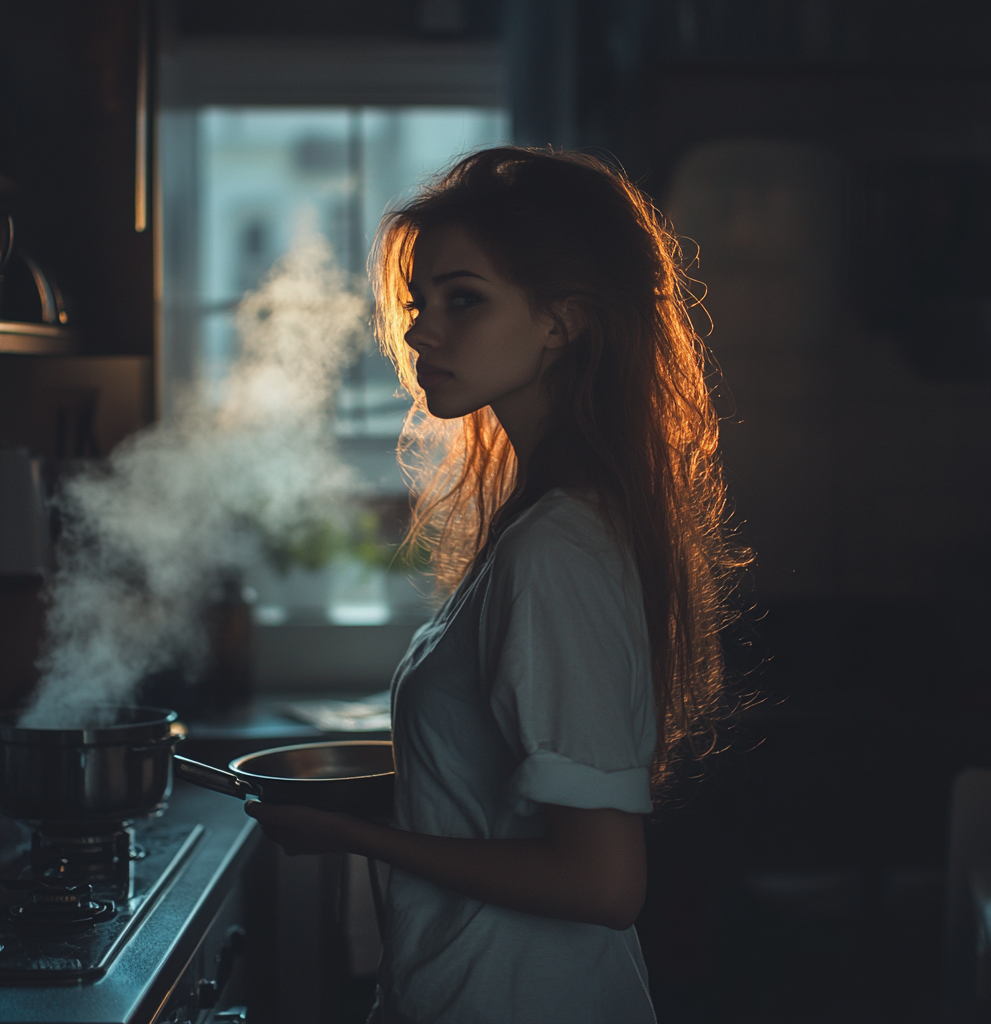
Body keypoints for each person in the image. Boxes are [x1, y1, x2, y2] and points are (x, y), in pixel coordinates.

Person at [246, 147, 745, 1023]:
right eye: (418, 302)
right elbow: (495, 802)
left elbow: (602, 881)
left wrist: (352, 837)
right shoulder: (543, 514)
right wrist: (356, 800)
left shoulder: (559, 547)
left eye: (463, 299)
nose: (419, 331)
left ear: (561, 323)